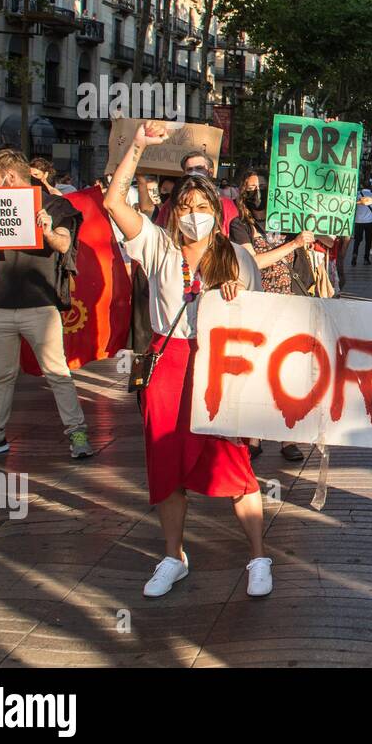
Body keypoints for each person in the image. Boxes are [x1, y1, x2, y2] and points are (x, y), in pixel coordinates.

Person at [104, 121, 271, 599]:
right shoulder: (157, 245)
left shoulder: (237, 256)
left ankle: (258, 556)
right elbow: (115, 203)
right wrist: (136, 147)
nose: (193, 215)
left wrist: (238, 299)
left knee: (234, 462)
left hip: (217, 367)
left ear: (216, 213)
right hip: (168, 363)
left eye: (202, 207)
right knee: (166, 466)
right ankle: (172, 556)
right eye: (186, 207)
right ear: (174, 212)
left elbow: (257, 326)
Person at [0, 149, 93, 462]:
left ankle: (77, 431)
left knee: (56, 372)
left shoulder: (54, 204)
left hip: (40, 306)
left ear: (10, 177)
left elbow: (64, 244)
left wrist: (48, 230)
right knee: (2, 375)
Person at [234, 168, 316, 463]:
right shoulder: (239, 226)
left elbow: (330, 240)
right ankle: (253, 436)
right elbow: (252, 262)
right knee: (256, 371)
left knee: (289, 372)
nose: (257, 192)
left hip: (291, 306)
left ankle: (287, 436)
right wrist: (292, 245)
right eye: (250, 187)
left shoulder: (290, 220)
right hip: (258, 308)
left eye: (262, 186)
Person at [153, 151, 239, 235]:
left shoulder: (225, 204)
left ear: (210, 172)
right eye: (189, 169)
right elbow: (159, 232)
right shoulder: (172, 202)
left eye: (199, 168)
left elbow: (235, 234)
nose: (194, 172)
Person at [349, 183, 372, 265]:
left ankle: (354, 255)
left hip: (358, 221)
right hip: (369, 221)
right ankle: (366, 259)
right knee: (368, 241)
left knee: (357, 240)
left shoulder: (357, 195)